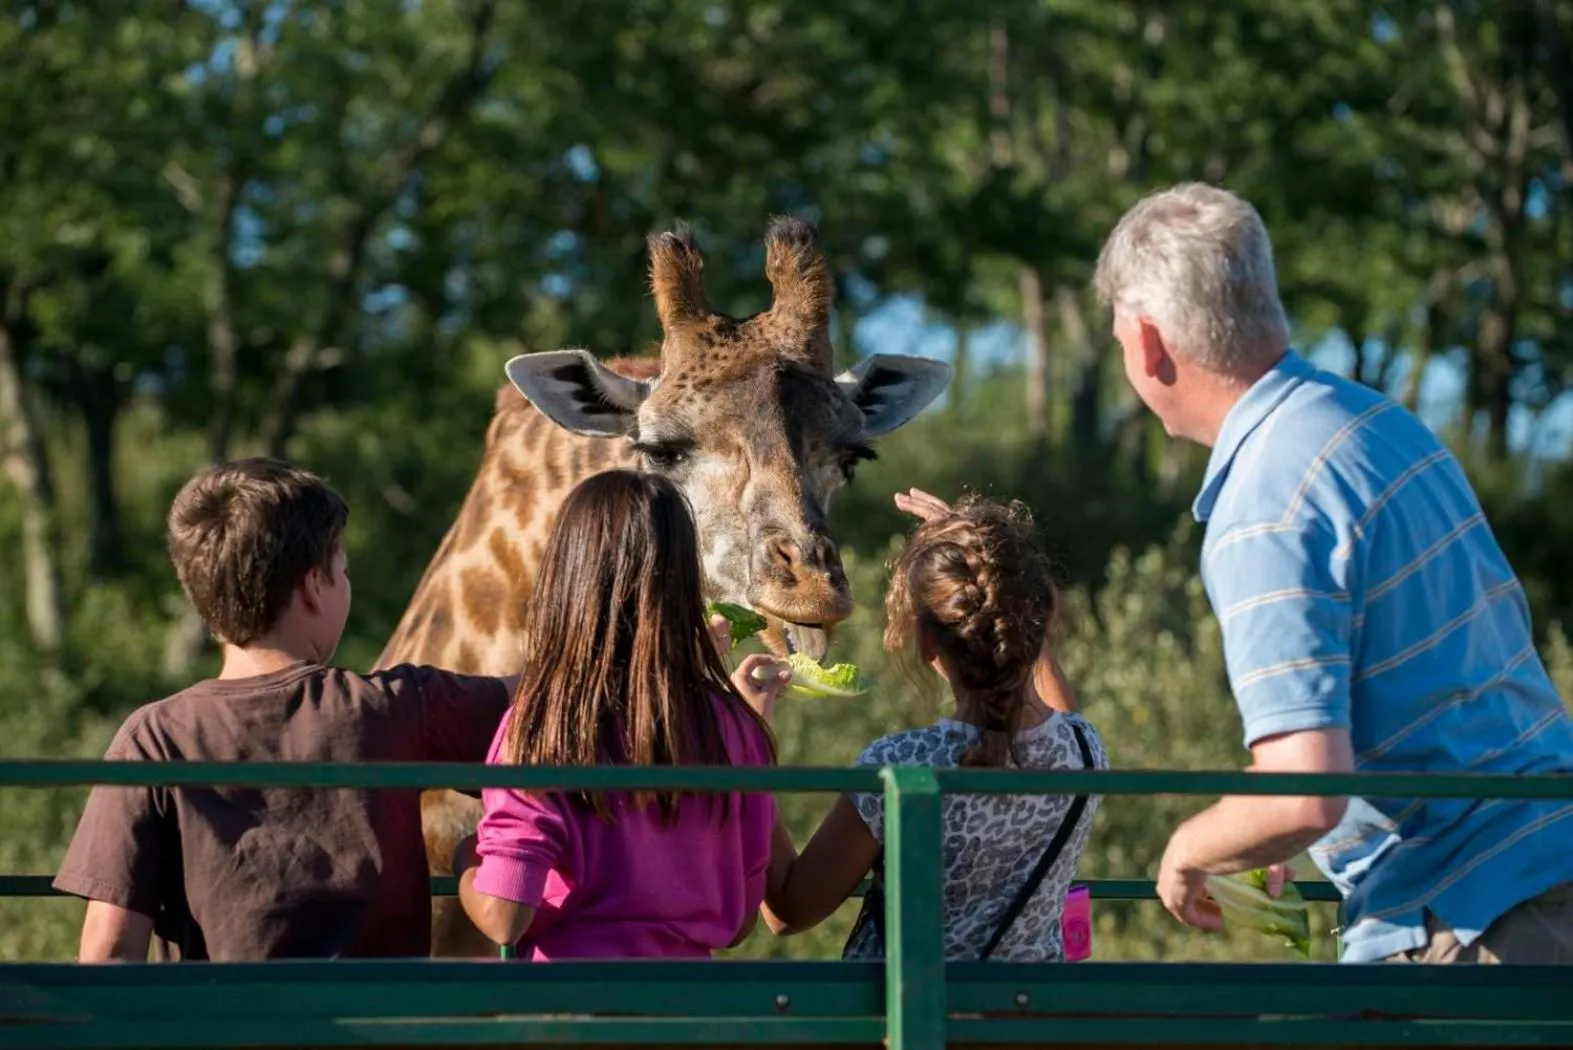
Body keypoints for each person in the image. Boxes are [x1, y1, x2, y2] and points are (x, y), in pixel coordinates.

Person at [1093, 181, 1573, 964]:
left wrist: (1191, 848)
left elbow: (1305, 790)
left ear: (1148, 342)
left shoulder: (1264, 503)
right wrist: (1265, 825)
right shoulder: (1376, 424)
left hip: (1475, 913)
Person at [52, 458, 520, 962]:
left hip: (220, 1013)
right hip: (378, 1013)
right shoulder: (399, 707)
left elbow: (108, 950)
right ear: (314, 586)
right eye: (343, 572)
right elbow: (551, 699)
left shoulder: (152, 739)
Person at [450, 470, 790, 958]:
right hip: (695, 1001)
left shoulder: (541, 726)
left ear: (566, 580)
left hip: (574, 999)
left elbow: (504, 916)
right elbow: (738, 922)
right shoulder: (738, 729)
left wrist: (467, 862)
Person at [758, 489, 1108, 961]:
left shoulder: (900, 768)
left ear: (926, 643)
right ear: (1037, 621)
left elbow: (789, 909)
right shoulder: (1083, 752)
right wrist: (992, 572)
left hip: (909, 1009)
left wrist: (750, 747)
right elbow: (1056, 702)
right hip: (1027, 1009)